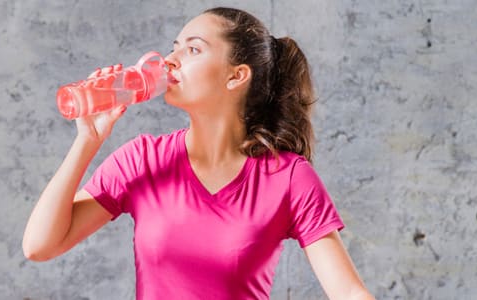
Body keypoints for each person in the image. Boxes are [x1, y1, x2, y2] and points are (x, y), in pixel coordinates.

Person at [23, 7, 374, 300]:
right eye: (174, 47)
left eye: (193, 49)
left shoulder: (288, 178)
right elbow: (39, 246)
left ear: (237, 76)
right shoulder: (142, 160)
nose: (170, 61)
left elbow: (350, 293)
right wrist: (88, 140)